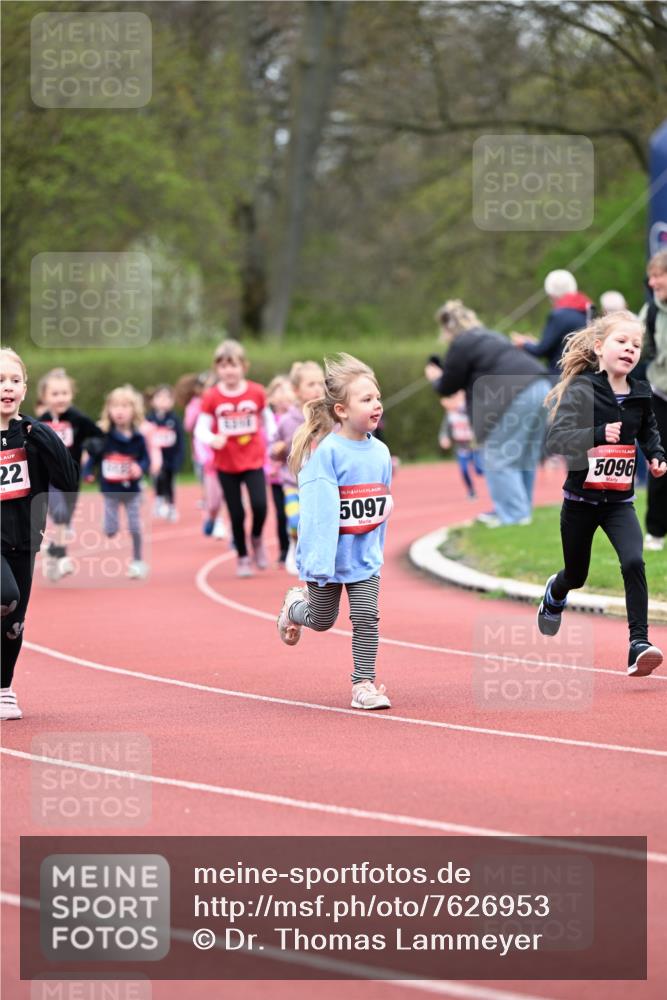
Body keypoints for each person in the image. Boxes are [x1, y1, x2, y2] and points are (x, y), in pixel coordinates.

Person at [537, 311, 666, 677]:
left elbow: (648, 431)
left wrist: (656, 456)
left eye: (636, 345)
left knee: (634, 562)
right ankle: (555, 592)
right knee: (576, 574)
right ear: (599, 347)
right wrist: (597, 433)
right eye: (621, 342)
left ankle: (638, 643)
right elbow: (557, 438)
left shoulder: (641, 391)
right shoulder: (582, 389)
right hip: (580, 503)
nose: (630, 349)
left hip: (618, 504)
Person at [276, 353, 393, 710]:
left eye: (377, 397)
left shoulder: (382, 453)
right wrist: (316, 562)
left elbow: (381, 504)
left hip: (364, 558)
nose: (376, 405)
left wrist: (375, 550)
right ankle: (295, 606)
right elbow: (316, 515)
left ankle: (363, 684)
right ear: (341, 410)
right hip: (327, 558)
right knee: (322, 620)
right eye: (366, 399)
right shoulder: (326, 455)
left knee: (366, 618)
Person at [1, 349, 78, 720]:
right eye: (0, 380)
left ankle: (3, 689)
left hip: (26, 539)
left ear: (25, 388)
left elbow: (69, 480)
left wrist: (47, 440)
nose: (7, 387)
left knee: (14, 624)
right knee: (6, 596)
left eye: (14, 380)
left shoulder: (34, 434)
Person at [425, 300, 550, 526]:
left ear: (447, 329)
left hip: (513, 393)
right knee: (524, 456)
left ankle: (514, 518)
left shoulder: (461, 343)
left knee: (499, 456)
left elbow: (448, 386)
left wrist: (435, 379)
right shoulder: (491, 336)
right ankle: (522, 514)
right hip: (540, 385)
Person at [195, 339, 268, 577]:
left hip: (253, 459)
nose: (229, 371)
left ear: (244, 366)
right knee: (236, 513)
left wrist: (277, 441)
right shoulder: (212, 396)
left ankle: (256, 538)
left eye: (233, 365)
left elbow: (269, 420)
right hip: (226, 463)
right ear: (217, 369)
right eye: (224, 366)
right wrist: (212, 439)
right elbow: (200, 428)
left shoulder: (256, 392)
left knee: (259, 505)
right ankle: (243, 556)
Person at [37, 367, 102, 581]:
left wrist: (92, 448)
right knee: (61, 516)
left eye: (64, 393)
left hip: (71, 478)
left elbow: (99, 437)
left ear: (72, 394)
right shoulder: (40, 421)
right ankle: (62, 556)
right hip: (47, 478)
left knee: (64, 520)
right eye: (55, 394)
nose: (60, 398)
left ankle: (55, 553)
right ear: (44, 397)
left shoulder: (78, 419)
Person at [83, 385, 150, 580]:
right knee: (111, 531)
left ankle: (138, 561)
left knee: (135, 526)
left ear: (134, 410)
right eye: (115, 406)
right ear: (109, 411)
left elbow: (146, 459)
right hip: (110, 490)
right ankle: (108, 524)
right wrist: (88, 473)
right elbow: (93, 459)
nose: (120, 411)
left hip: (132, 490)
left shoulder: (138, 438)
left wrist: (141, 467)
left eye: (125, 406)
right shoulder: (103, 438)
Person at [270, 361, 325, 575]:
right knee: (295, 520)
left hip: (322, 483)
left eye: (321, 383)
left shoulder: (332, 417)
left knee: (319, 523)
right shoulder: (287, 421)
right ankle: (294, 544)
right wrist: (277, 449)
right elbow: (273, 447)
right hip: (293, 483)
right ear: (296, 391)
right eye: (311, 384)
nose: (317, 389)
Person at [511, 270, 594, 381]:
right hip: (583, 376)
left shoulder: (560, 315)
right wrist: (533, 343)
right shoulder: (586, 310)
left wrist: (524, 343)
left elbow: (541, 351)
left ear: (551, 293)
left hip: (559, 377)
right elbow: (559, 346)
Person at [640, 249, 667, 551]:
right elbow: (640, 349)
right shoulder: (651, 312)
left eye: (658, 275)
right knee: (661, 461)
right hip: (661, 394)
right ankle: (656, 531)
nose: (652, 281)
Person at [181, 372, 227, 539]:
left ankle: (229, 530)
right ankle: (213, 517)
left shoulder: (225, 404)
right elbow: (188, 426)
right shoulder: (195, 405)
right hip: (203, 458)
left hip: (226, 457)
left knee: (228, 494)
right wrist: (198, 410)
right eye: (209, 387)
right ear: (201, 390)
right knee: (211, 495)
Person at [264, 374, 294, 565]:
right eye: (279, 390)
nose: (283, 395)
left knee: (295, 513)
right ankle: (283, 550)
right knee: (280, 513)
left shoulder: (297, 418)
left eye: (287, 390)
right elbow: (265, 444)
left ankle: (295, 544)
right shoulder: (268, 419)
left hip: (293, 475)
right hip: (275, 477)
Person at [146, 384, 184, 522]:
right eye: (160, 397)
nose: (163, 401)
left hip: (170, 458)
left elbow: (180, 440)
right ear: (153, 400)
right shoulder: (149, 419)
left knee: (170, 482)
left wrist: (179, 458)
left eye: (167, 398)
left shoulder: (174, 419)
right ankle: (158, 500)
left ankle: (171, 506)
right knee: (157, 480)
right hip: (155, 460)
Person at [437, 391, 482, 499]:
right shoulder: (450, 414)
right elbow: (445, 429)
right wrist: (444, 437)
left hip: (475, 446)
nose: (455, 398)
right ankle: (471, 491)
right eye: (453, 396)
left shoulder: (470, 408)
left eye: (458, 395)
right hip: (461, 446)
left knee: (480, 470)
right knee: (464, 470)